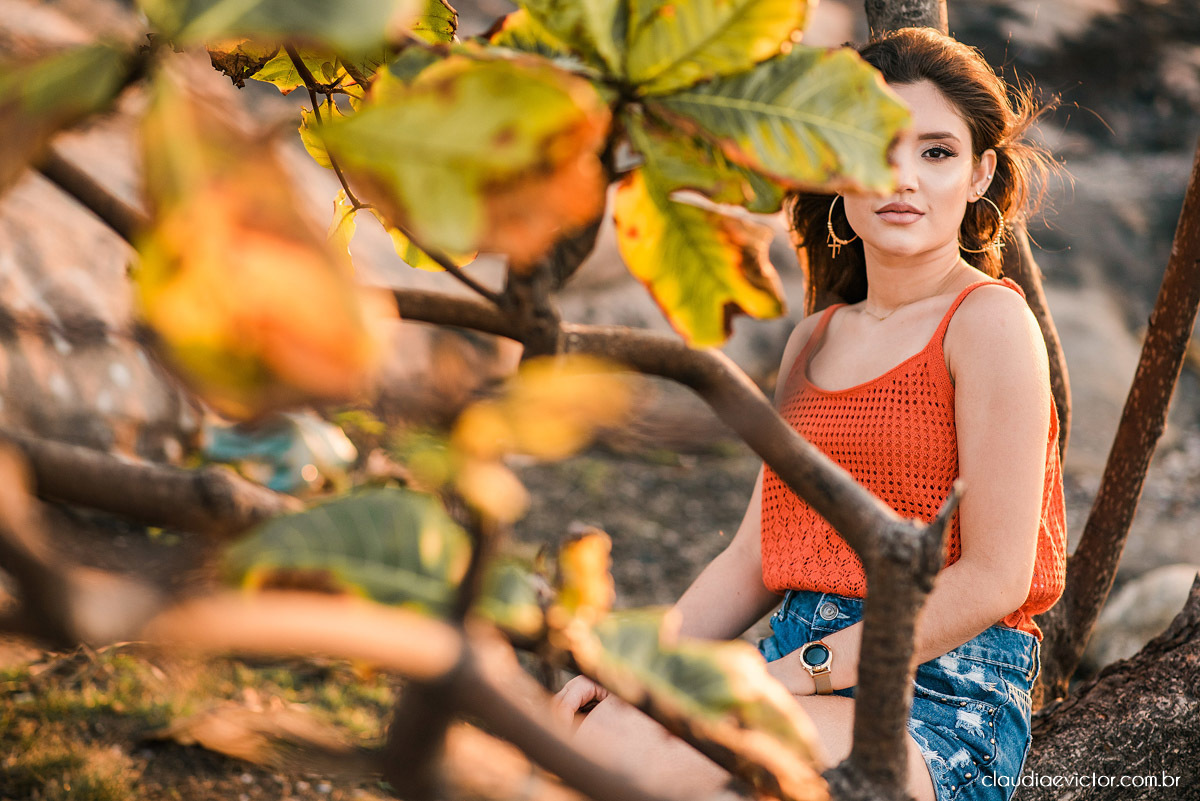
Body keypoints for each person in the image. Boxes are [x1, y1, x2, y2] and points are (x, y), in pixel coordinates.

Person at [553, 26, 1067, 801]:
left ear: (979, 174)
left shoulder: (988, 323)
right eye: (877, 148)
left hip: (939, 696)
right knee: (592, 732)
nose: (905, 180)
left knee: (649, 762)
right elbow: (754, 556)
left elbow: (997, 577)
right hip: (794, 667)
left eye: (936, 152)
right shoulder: (814, 339)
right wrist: (631, 671)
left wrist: (797, 673)